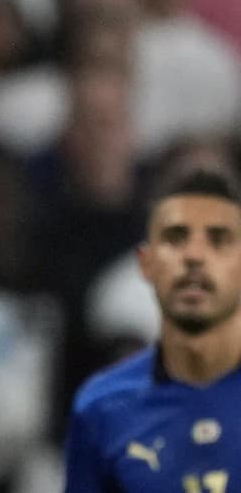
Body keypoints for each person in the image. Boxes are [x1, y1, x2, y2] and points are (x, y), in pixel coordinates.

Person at [64, 166, 241, 492]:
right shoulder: (102, 409)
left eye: (217, 240)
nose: (195, 258)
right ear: (146, 263)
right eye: (177, 238)